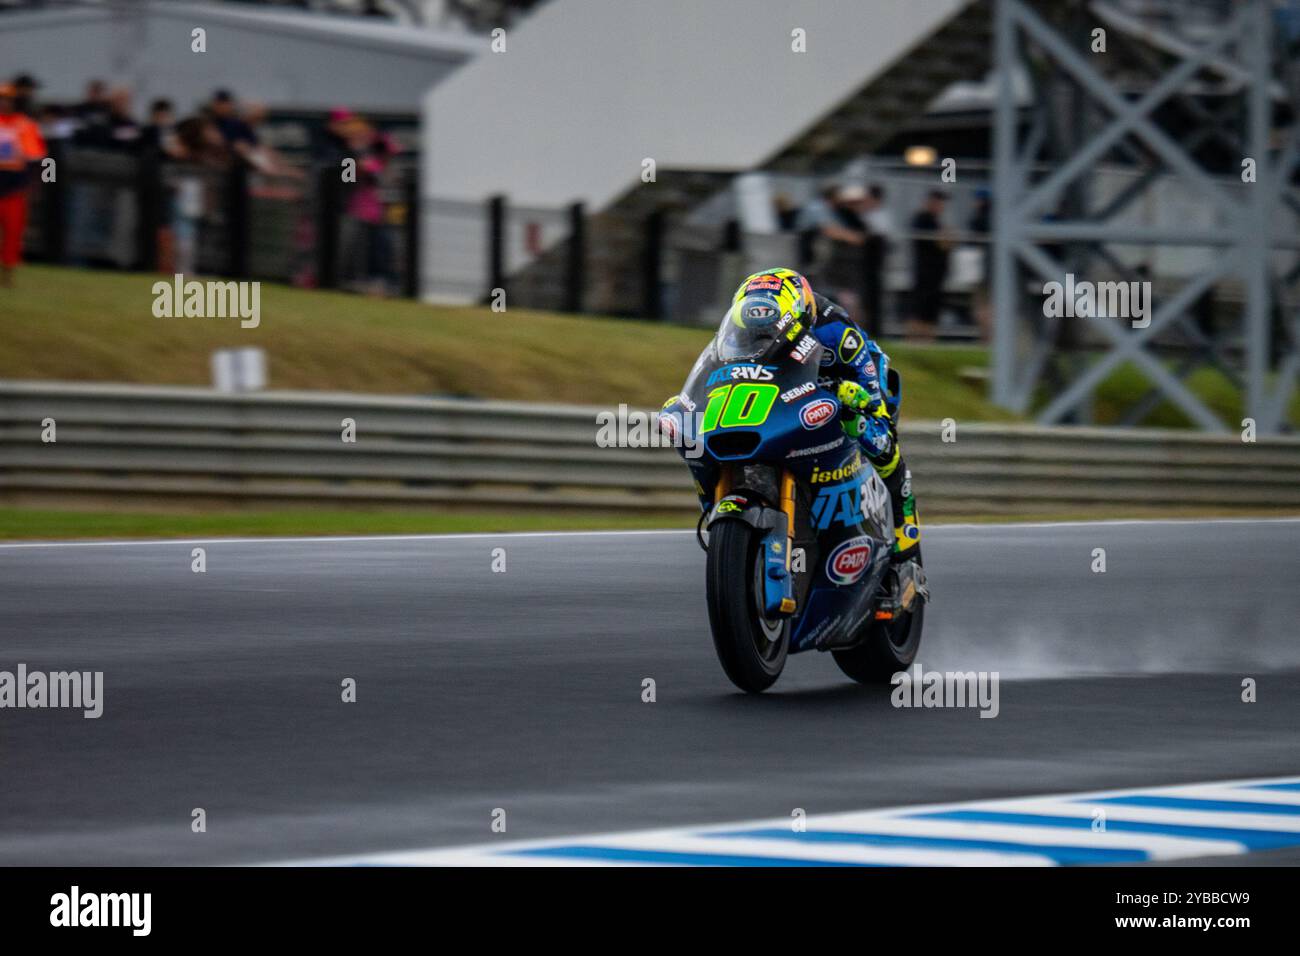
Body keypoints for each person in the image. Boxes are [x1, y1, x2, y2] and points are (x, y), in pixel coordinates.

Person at [715, 268, 923, 591]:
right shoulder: (739, 334)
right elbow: (719, 369)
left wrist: (860, 398)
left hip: (851, 378)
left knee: (876, 436)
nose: (761, 340)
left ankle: (904, 520)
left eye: (769, 334)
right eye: (756, 334)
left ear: (797, 320)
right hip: (791, 390)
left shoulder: (838, 333)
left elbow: (870, 391)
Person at [0, 83, 48, 287]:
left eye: (7, 99)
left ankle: (7, 276)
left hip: (14, 188)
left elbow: (40, 158)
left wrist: (42, 183)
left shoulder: (25, 126)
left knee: (13, 232)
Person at [909, 190, 951, 341]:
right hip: (925, 274)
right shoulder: (922, 219)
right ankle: (916, 341)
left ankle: (928, 341)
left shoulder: (936, 221)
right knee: (920, 310)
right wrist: (945, 239)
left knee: (932, 311)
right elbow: (943, 243)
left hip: (936, 276)